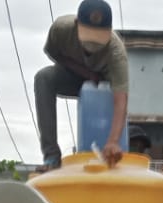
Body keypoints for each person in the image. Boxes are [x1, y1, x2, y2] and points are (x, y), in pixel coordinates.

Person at [36, 0, 129, 169]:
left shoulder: (116, 52)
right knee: (43, 77)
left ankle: (108, 151)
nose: (92, 45)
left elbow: (121, 98)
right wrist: (85, 73)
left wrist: (113, 141)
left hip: (103, 86)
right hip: (72, 75)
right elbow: (53, 52)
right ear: (77, 24)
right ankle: (51, 157)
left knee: (111, 101)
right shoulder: (61, 29)